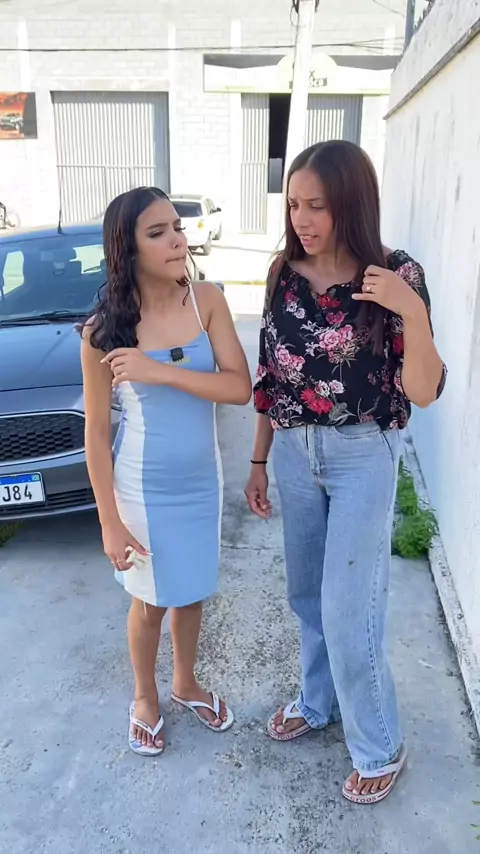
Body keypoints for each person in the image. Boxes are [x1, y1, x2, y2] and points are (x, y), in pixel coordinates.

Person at [245, 140, 446, 804]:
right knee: (307, 594)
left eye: (318, 206)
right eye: (293, 205)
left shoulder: (396, 275)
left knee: (348, 606)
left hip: (363, 452)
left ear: (352, 204)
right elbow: (272, 377)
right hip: (294, 450)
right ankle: (318, 700)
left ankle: (380, 744)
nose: (301, 219)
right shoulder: (284, 272)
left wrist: (410, 310)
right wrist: (259, 459)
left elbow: (423, 390)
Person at [81, 187, 251, 756]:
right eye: (158, 233)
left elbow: (239, 387)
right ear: (126, 249)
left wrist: (161, 372)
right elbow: (96, 434)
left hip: (202, 481)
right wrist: (109, 522)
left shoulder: (207, 302)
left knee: (192, 592)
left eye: (177, 227)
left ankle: (185, 684)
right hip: (143, 488)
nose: (177, 240)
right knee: (151, 601)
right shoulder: (103, 331)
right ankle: (144, 696)